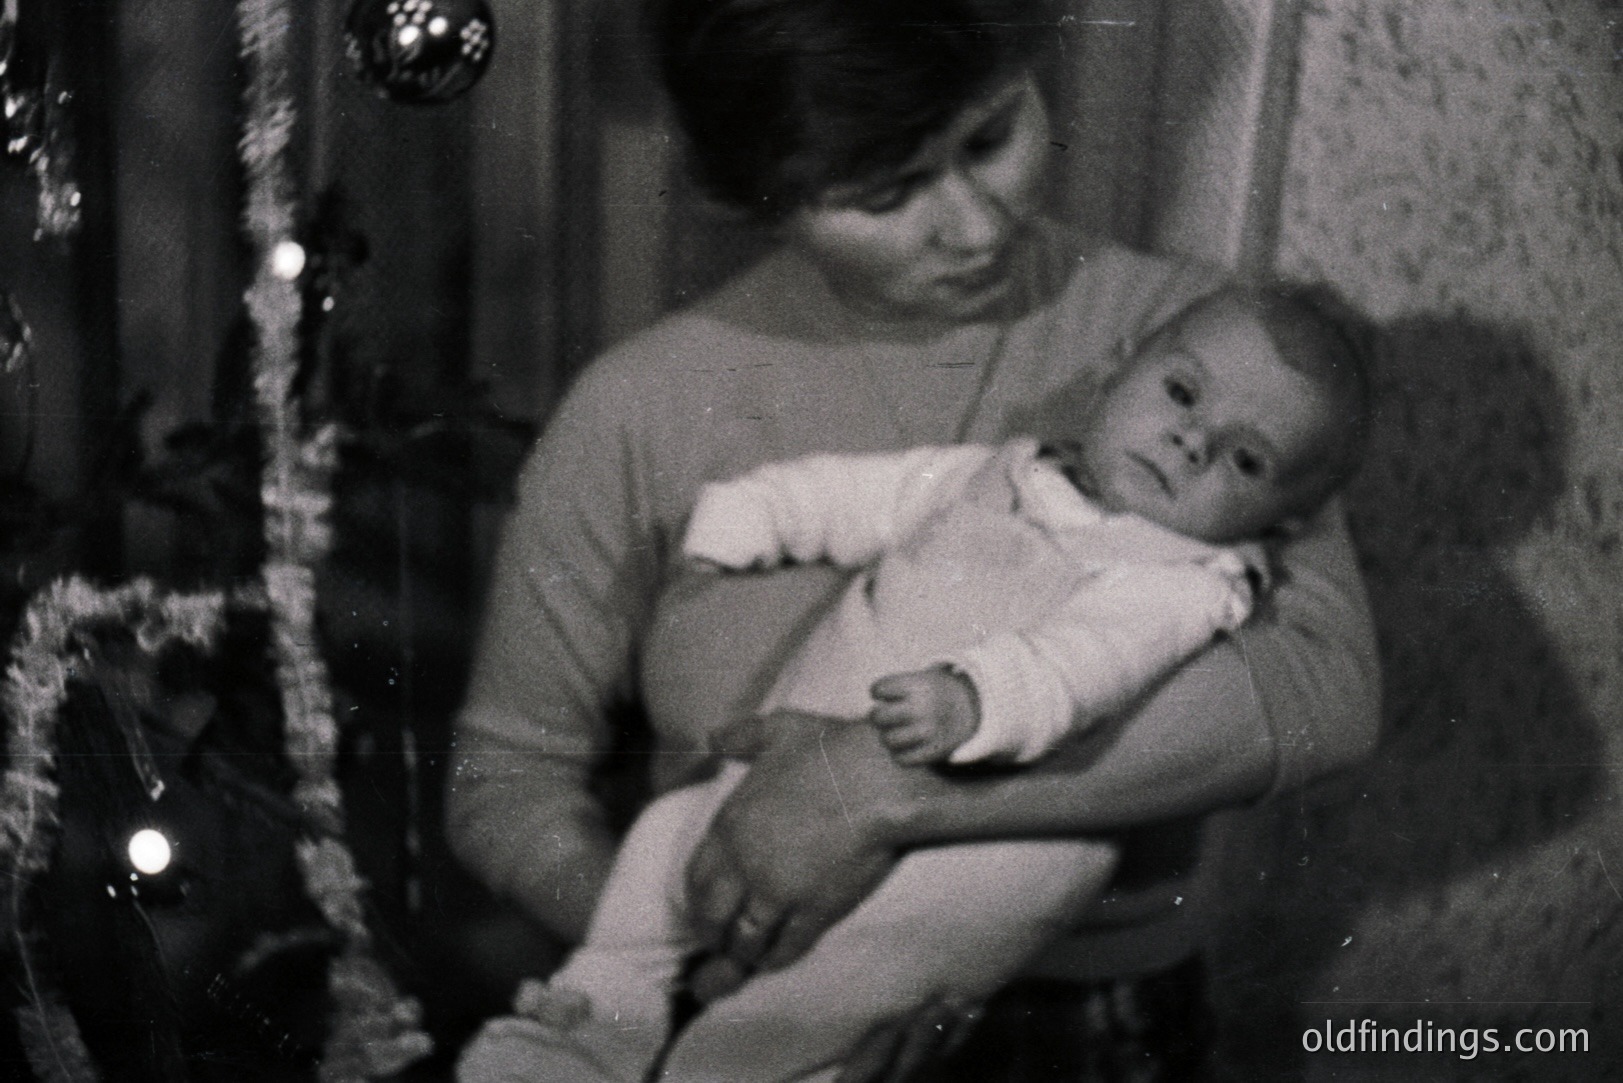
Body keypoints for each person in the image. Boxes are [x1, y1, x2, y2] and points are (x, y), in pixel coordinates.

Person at [447, 0, 1380, 1078]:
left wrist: (865, 795)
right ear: (765, 189)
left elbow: (1324, 687)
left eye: (990, 137)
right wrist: (706, 942)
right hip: (711, 1006)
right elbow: (505, 774)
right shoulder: (638, 407)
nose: (978, 226)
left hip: (1085, 1033)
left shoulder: (1202, 346)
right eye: (887, 193)